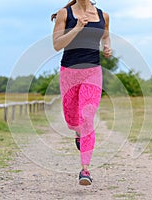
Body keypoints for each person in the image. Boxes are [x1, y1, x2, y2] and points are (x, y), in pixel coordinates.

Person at [51, 0, 111, 186]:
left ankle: (85, 170)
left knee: (87, 118)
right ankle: (77, 132)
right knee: (72, 119)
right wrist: (76, 28)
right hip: (69, 72)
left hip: (93, 71)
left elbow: (106, 37)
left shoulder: (103, 16)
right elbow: (57, 45)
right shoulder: (65, 14)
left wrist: (107, 47)